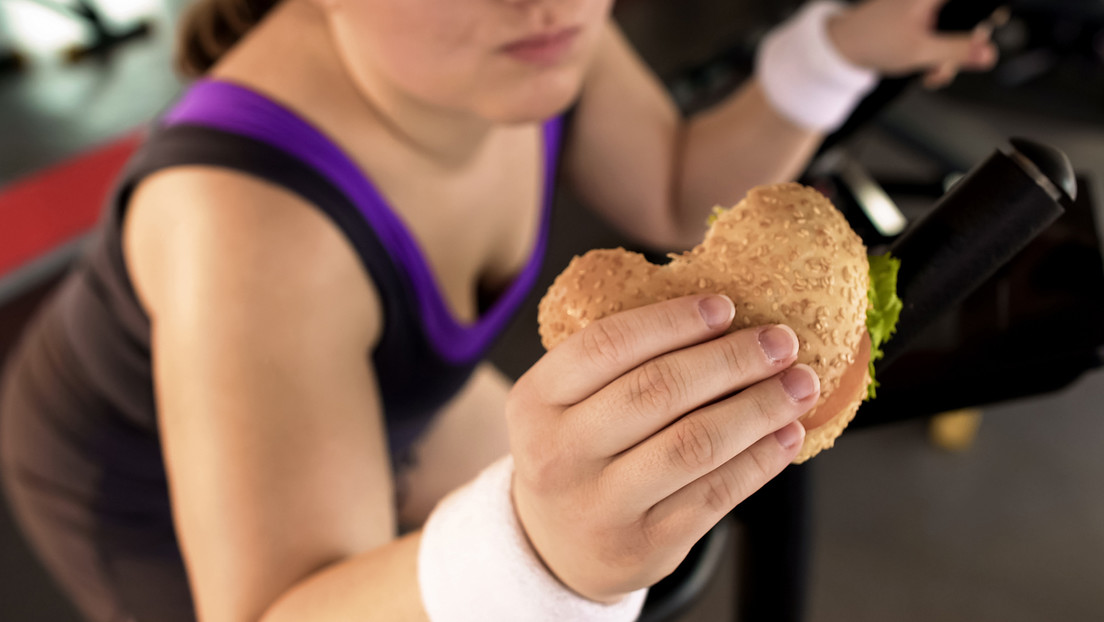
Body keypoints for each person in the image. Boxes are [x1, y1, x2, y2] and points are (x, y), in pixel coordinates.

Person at [0, 1, 996, 621]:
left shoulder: (539, 29)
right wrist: (535, 554)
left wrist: (838, 49)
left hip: (389, 381)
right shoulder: (251, 227)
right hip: (128, 479)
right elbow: (271, 610)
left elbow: (675, 183)